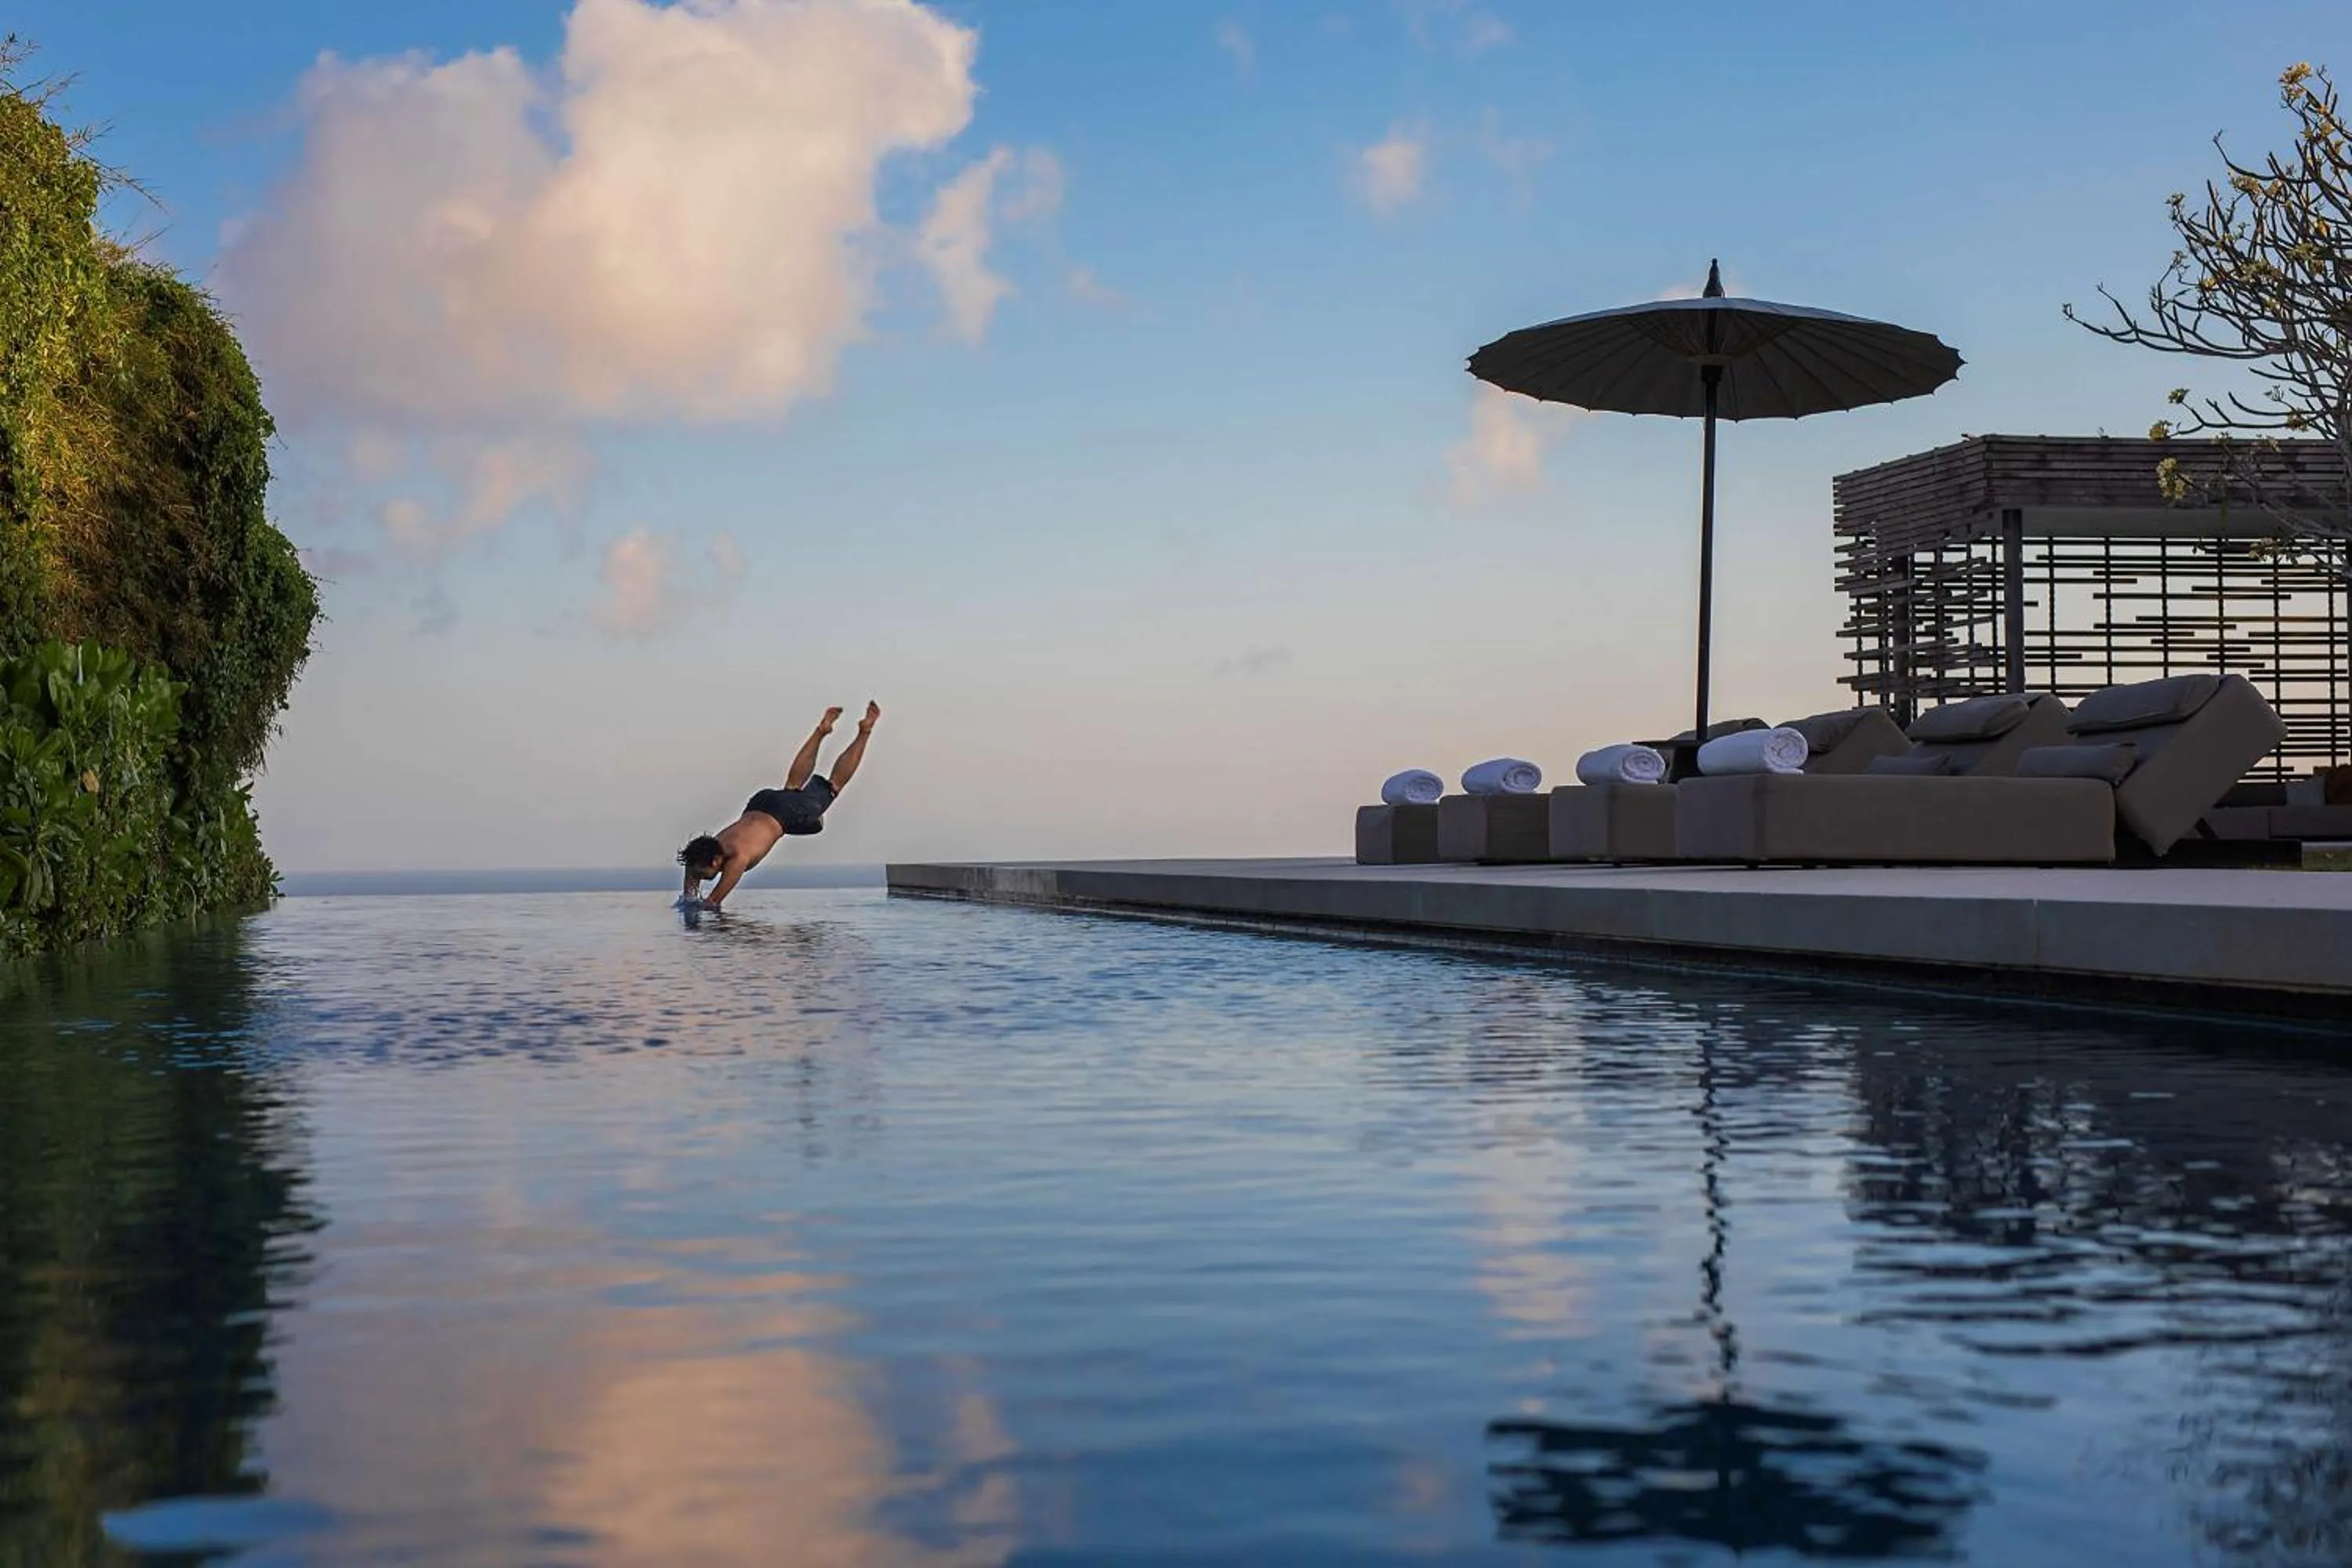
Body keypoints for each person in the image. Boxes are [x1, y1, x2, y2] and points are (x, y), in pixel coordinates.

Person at [678, 702, 880, 911]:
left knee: (833, 786)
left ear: (715, 861)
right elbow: (690, 886)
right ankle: (821, 731)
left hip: (785, 813)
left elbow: (712, 903)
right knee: (791, 787)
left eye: (702, 874)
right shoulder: (701, 854)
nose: (699, 877)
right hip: (761, 802)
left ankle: (865, 730)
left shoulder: (738, 858)